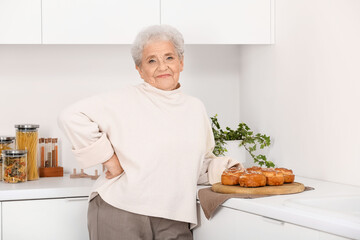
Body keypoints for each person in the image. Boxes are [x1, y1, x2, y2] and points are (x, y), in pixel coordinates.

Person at [58, 25, 241, 240]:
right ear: (139, 69)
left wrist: (227, 168)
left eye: (169, 58)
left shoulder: (195, 108)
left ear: (181, 62)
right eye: (151, 60)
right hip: (121, 210)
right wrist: (109, 160)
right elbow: (70, 115)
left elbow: (196, 163)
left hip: (174, 216)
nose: (162, 66)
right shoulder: (122, 100)